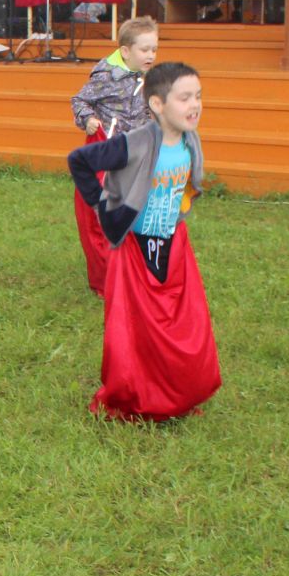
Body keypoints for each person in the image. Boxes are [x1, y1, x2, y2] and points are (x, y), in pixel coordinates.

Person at [67, 62, 219, 421]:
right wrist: (103, 204)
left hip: (173, 244)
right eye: (184, 98)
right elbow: (79, 161)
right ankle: (136, 397)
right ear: (157, 104)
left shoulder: (189, 140)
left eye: (198, 96)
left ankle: (179, 392)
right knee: (137, 330)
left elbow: (186, 186)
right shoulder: (133, 144)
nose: (194, 105)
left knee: (183, 325)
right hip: (135, 250)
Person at [69, 16, 160, 294]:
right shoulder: (107, 76)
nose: (151, 55)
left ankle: (138, 271)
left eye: (154, 49)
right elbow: (80, 100)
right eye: (144, 50)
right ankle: (107, 277)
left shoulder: (149, 78)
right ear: (125, 51)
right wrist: (88, 119)